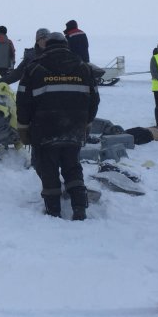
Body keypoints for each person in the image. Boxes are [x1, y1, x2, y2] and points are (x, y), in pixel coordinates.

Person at [16, 33, 99, 219]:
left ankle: (54, 211)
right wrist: (86, 122)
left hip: (45, 128)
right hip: (74, 127)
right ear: (66, 45)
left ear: (47, 46)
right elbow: (94, 99)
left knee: (49, 168)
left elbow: (23, 101)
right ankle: (79, 208)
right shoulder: (83, 68)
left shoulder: (34, 68)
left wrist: (23, 126)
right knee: (72, 166)